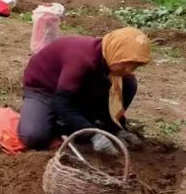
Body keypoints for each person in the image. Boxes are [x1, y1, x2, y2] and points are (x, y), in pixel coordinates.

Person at [18, 27, 150, 153]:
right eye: (125, 64)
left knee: (129, 83)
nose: (129, 70)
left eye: (134, 66)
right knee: (34, 137)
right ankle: (60, 121)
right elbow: (62, 102)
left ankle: (83, 123)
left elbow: (111, 104)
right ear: (115, 52)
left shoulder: (110, 62)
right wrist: (92, 134)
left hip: (78, 88)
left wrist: (117, 129)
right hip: (45, 89)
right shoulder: (82, 60)